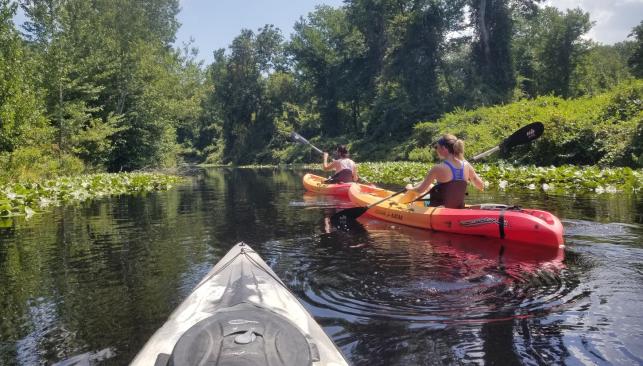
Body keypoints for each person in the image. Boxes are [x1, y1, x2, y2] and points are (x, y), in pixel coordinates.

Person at [401, 134, 484, 208]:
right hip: (457, 206)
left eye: (437, 147)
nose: (436, 150)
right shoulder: (466, 165)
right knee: (430, 186)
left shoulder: (438, 168)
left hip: (438, 208)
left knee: (412, 188)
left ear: (444, 148)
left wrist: (410, 188)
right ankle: (405, 204)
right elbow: (481, 185)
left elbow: (420, 190)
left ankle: (399, 205)